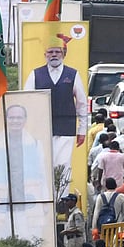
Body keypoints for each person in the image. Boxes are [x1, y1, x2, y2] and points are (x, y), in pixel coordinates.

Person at [23, 32, 88, 183]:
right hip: (41, 128)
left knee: (63, 165)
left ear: (63, 54)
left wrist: (82, 130)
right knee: (42, 165)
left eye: (57, 52)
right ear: (45, 54)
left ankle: (62, 200)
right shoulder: (35, 74)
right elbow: (27, 101)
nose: (54, 55)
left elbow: (82, 104)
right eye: (50, 52)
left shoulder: (72, 74)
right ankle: (44, 199)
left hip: (66, 127)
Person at [0, 104, 48, 203]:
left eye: (19, 118)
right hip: (0, 199)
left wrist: (45, 199)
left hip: (30, 199)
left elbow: (42, 173)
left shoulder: (35, 144)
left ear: (25, 119)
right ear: (6, 119)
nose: (15, 121)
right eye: (12, 118)